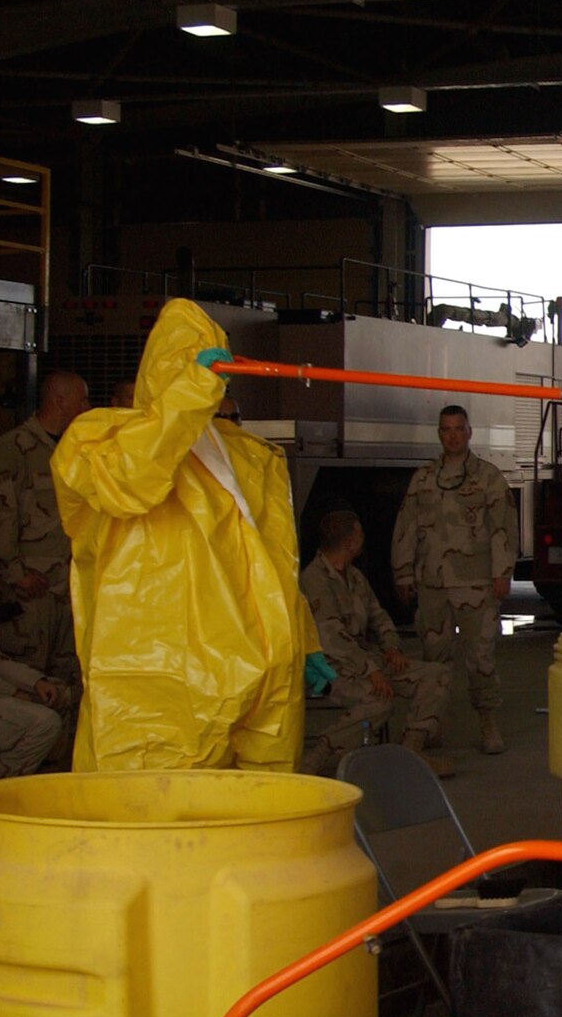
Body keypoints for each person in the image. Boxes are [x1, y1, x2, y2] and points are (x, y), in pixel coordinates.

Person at [53, 298, 322, 771]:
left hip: (261, 685)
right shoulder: (98, 439)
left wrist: (304, 641)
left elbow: (274, 562)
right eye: (197, 359)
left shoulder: (244, 454)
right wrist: (190, 393)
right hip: (159, 690)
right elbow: (131, 483)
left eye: (217, 358)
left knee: (258, 824)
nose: (216, 372)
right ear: (164, 368)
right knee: (158, 823)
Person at [391, 404, 513, 754]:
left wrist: (501, 572)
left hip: (476, 585)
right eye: (446, 429)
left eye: (459, 429)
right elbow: (406, 527)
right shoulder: (424, 479)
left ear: (469, 432)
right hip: (433, 586)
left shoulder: (487, 477)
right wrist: (402, 571)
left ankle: (488, 722)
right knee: (434, 659)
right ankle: (432, 726)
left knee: (481, 657)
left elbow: (503, 528)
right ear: (439, 434)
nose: (453, 435)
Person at [299, 507, 452, 776]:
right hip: (330, 666)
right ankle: (318, 756)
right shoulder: (314, 580)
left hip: (367, 658)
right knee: (378, 702)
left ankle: (411, 751)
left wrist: (391, 647)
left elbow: (378, 616)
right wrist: (372, 671)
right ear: (349, 543)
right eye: (359, 535)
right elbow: (331, 638)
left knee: (435, 675)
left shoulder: (354, 577)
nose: (363, 539)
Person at [0, 370, 82, 707]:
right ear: (60, 400)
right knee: (31, 675)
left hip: (67, 583)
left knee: (67, 674)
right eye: (82, 399)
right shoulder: (16, 447)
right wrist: (14, 572)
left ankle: (60, 757)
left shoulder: (74, 448)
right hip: (33, 589)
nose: (87, 406)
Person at [0, 602, 73, 778]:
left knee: (59, 694)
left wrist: (34, 682)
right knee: (44, 723)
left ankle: (43, 778)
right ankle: (1, 792)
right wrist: (12, 691)